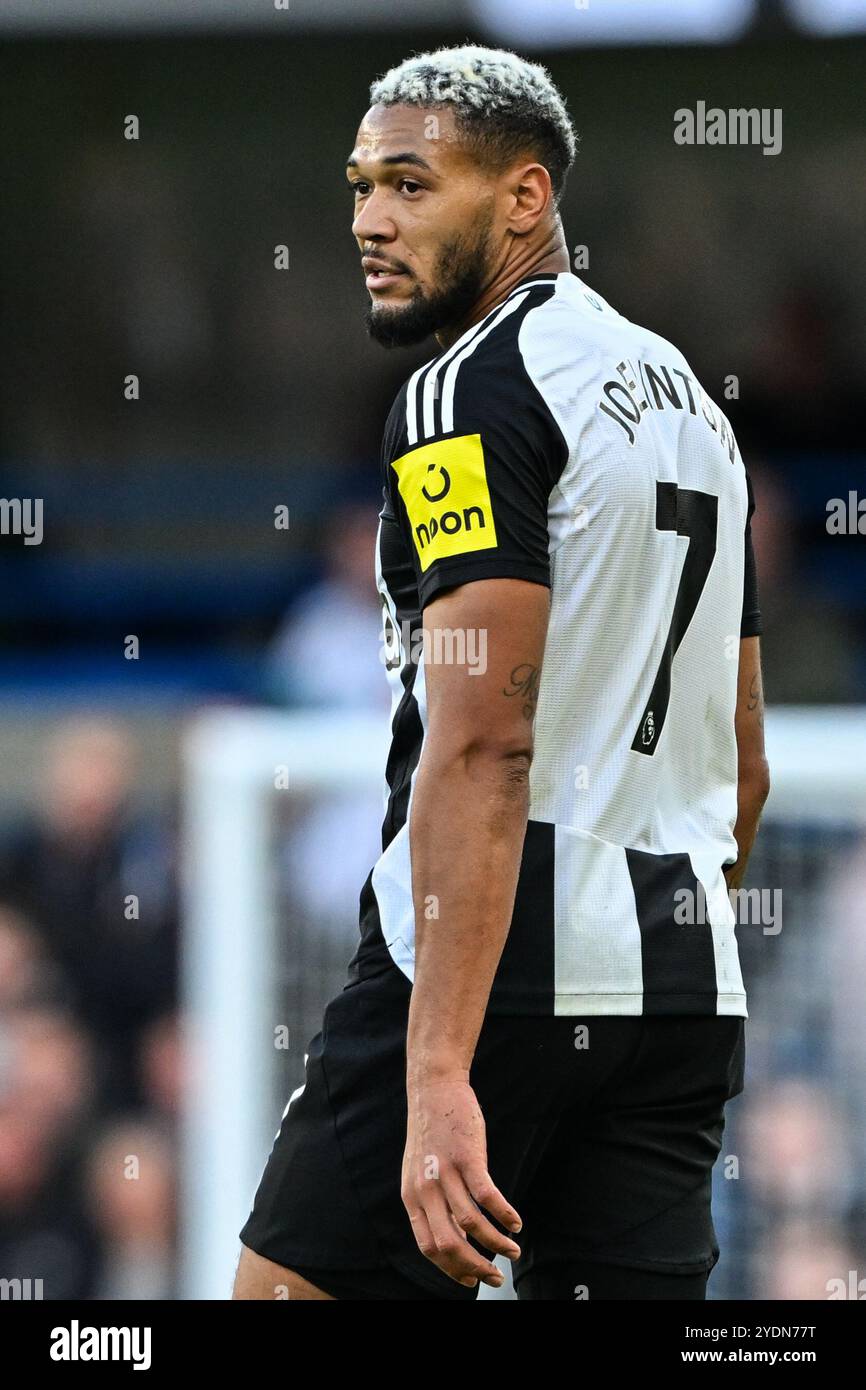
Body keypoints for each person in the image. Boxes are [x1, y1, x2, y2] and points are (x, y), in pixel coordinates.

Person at [234, 44, 770, 1301]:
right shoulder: (697, 409)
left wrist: (435, 1076)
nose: (368, 219)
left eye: (411, 187)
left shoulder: (464, 392)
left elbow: (482, 742)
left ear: (524, 198)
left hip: (487, 980)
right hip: (681, 990)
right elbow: (737, 768)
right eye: (361, 186)